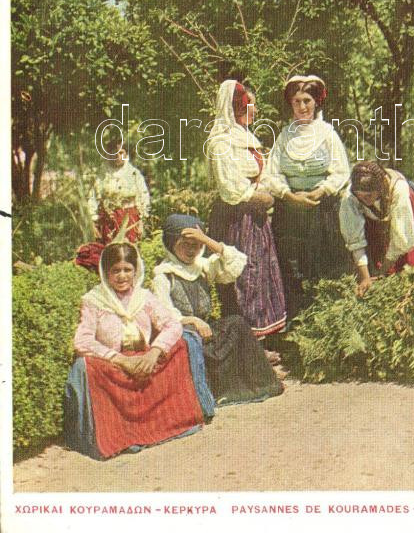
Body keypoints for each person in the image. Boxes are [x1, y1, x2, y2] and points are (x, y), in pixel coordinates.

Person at [64, 242, 204, 459]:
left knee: (184, 341)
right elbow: (82, 340)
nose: (122, 276)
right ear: (105, 272)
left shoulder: (144, 297)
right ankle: (119, 431)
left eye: (127, 270)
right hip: (117, 365)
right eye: (115, 271)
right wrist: (119, 360)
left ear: (136, 270)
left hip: (146, 360)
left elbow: (172, 324)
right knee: (85, 365)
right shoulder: (94, 300)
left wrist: (155, 352)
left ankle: (169, 419)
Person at [152, 214, 285, 405]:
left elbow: (236, 261)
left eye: (196, 244)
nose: (192, 250)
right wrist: (192, 321)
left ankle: (261, 383)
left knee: (237, 323)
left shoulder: (202, 267)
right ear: (171, 242)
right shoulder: (163, 275)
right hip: (183, 334)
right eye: (186, 244)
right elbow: (164, 316)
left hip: (205, 330)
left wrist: (206, 240)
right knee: (193, 340)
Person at [206, 80, 287, 343]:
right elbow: (230, 189)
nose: (256, 110)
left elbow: (262, 175)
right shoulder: (221, 143)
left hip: (255, 218)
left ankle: (261, 342)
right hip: (235, 219)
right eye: (251, 105)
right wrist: (259, 196)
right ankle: (247, 346)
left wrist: (280, 193)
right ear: (237, 107)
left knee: (260, 275)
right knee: (242, 275)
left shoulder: (245, 138)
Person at [265, 75, 351, 319]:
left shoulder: (327, 134)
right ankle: (295, 321)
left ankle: (325, 321)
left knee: (321, 268)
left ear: (316, 102)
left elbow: (341, 171)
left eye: (307, 101)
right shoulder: (284, 136)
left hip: (321, 211)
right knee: (291, 270)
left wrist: (320, 190)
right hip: (290, 214)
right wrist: (288, 195)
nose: (302, 107)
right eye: (296, 102)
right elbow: (272, 174)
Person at [339, 160, 414, 297]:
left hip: (402, 213)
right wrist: (365, 277)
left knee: (409, 273)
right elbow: (355, 239)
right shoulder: (350, 198)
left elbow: (402, 241)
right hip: (374, 223)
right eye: (360, 197)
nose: (364, 200)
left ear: (379, 189)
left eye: (368, 196)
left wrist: (381, 272)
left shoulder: (398, 190)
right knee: (371, 270)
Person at [87, 141, 150, 246]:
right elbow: (93, 198)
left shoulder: (134, 174)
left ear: (126, 154)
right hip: (108, 219)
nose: (117, 156)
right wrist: (94, 221)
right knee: (110, 251)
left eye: (121, 153)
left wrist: (141, 221)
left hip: (129, 218)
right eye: (114, 153)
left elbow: (143, 196)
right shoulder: (102, 175)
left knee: (128, 249)